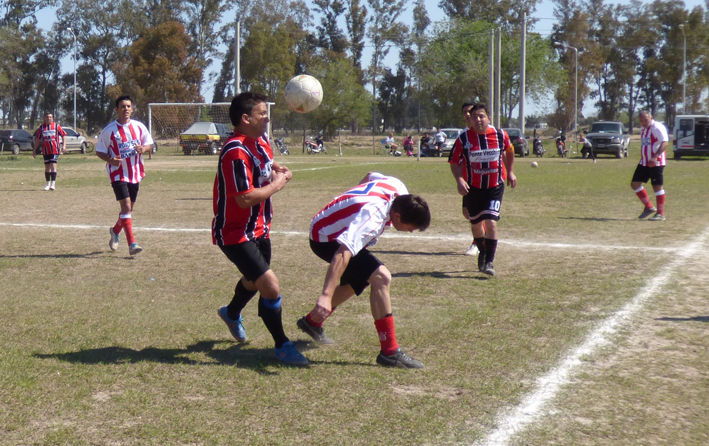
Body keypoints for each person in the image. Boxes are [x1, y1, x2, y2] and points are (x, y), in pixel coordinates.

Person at [297, 172, 431, 369]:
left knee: (360, 279)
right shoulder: (372, 217)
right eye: (411, 227)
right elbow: (342, 253)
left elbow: (370, 176)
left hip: (326, 224)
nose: (411, 231)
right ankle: (390, 352)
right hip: (325, 238)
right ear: (397, 216)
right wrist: (325, 296)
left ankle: (311, 322)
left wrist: (352, 204)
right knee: (381, 277)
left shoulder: (398, 188)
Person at [213, 92, 308, 366]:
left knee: (255, 281)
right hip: (234, 231)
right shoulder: (234, 151)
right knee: (270, 286)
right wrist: (278, 184)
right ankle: (282, 345)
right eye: (262, 113)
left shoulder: (261, 141)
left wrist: (280, 169)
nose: (267, 117)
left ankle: (231, 313)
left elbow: (268, 162)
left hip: (260, 228)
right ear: (245, 118)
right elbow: (243, 199)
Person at [449, 103, 516, 277]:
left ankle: (489, 262)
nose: (478, 120)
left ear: (489, 118)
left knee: (491, 223)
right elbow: (454, 162)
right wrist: (460, 179)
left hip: (494, 186)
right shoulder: (463, 139)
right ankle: (482, 252)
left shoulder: (500, 135)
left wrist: (510, 172)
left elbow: (510, 150)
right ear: (469, 120)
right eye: (474, 117)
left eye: (481, 116)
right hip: (473, 188)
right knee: (476, 224)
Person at [96, 95, 154, 256]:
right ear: (117, 109)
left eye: (128, 106)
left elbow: (149, 144)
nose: (126, 109)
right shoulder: (109, 131)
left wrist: (144, 148)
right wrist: (110, 160)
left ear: (132, 109)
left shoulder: (139, 127)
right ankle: (132, 243)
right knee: (126, 207)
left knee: (129, 209)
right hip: (118, 174)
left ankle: (115, 231)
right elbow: (99, 151)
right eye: (122, 106)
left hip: (135, 173)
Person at [632, 110, 669, 221]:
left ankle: (660, 214)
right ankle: (649, 207)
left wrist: (655, 156)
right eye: (641, 121)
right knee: (635, 184)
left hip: (656, 162)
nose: (643, 122)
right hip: (644, 162)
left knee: (657, 186)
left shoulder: (657, 127)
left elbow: (665, 142)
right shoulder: (644, 129)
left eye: (646, 119)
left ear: (651, 117)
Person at [33, 113, 66, 191]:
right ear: (45, 118)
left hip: (55, 149)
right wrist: (34, 150)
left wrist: (64, 146)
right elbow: (38, 140)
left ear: (53, 118)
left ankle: (53, 184)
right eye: (47, 117)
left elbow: (63, 135)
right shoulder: (41, 128)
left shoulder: (56, 126)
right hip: (45, 150)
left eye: (50, 117)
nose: (49, 118)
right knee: (47, 167)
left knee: (53, 165)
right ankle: (47, 183)